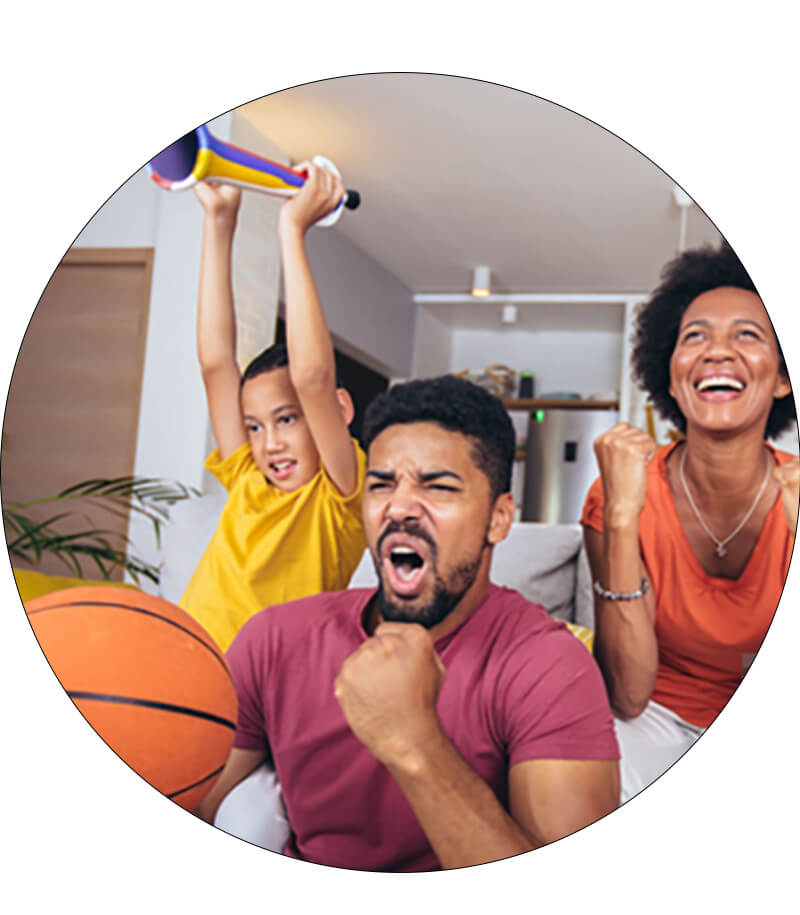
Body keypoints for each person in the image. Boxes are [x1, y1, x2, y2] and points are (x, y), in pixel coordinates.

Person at [197, 376, 620, 872]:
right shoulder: (275, 639)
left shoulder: (549, 667)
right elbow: (196, 800)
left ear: (499, 519)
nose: (399, 508)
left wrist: (415, 742)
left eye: (437, 486)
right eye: (381, 485)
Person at [581, 241, 800, 804]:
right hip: (656, 714)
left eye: (748, 335)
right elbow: (627, 697)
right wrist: (623, 517)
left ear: (782, 378)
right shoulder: (619, 491)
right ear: (672, 380)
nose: (717, 352)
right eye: (695, 336)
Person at [178, 164, 367, 653]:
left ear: (339, 410)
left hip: (265, 688)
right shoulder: (247, 476)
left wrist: (292, 231)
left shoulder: (340, 494)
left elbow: (312, 378)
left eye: (287, 419)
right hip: (187, 663)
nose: (269, 444)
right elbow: (216, 362)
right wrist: (219, 224)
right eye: (254, 427)